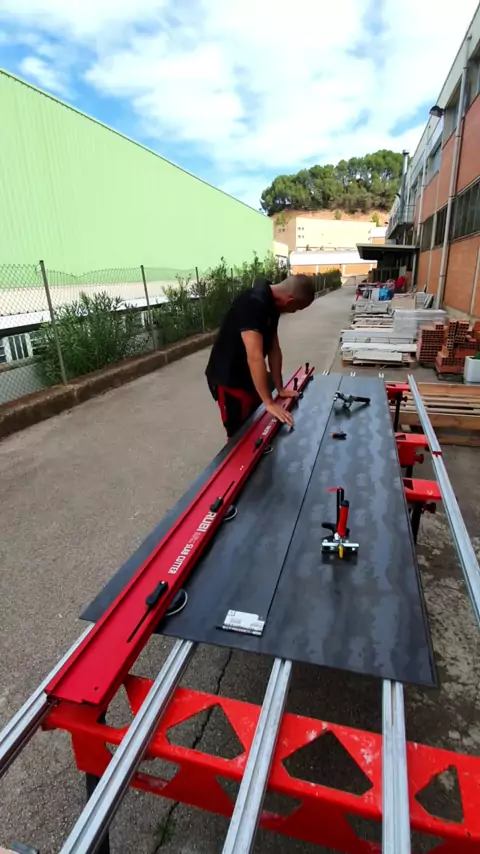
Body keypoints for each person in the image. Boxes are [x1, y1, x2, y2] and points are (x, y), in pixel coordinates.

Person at [206, 274, 314, 440]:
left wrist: (280, 388)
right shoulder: (253, 303)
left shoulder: (273, 304)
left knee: (256, 421)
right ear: (289, 301)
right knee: (239, 434)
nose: (294, 312)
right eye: (297, 309)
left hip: (248, 373)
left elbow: (273, 348)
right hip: (228, 378)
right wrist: (269, 402)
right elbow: (255, 357)